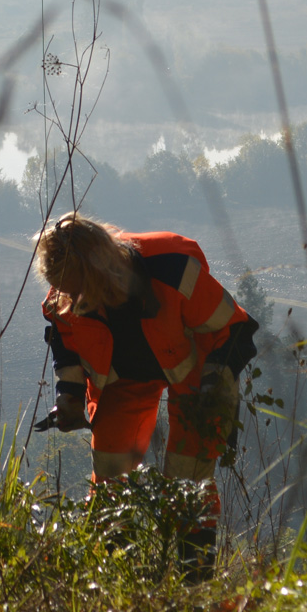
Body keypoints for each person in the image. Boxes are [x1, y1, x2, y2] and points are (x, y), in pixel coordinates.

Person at [32, 212, 258, 579]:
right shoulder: (68, 287)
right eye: (65, 292)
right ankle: (113, 580)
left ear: (98, 272)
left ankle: (194, 581)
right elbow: (65, 338)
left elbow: (235, 329)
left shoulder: (173, 272)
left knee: (189, 481)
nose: (71, 299)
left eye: (77, 290)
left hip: (194, 374)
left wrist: (216, 389)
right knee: (109, 478)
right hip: (123, 381)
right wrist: (69, 395)